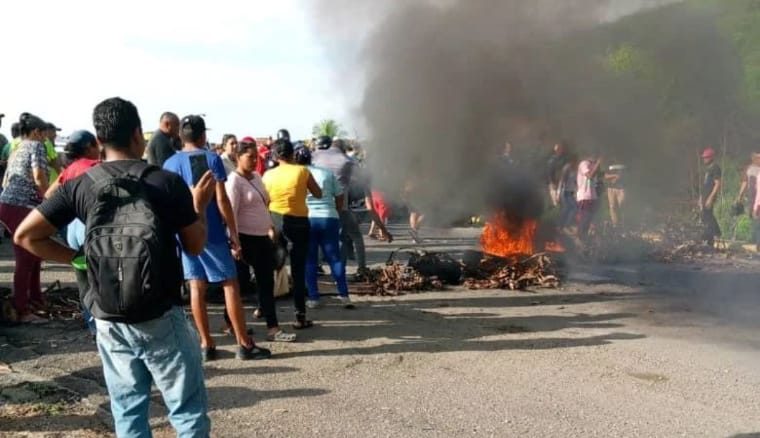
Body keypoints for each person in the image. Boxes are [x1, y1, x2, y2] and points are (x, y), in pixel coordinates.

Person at [14, 97, 214, 436]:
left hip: (107, 315)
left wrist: (79, 260)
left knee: (128, 413)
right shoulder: (164, 182)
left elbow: (25, 235)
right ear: (138, 134)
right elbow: (195, 247)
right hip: (160, 313)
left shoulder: (80, 186)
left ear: (100, 138)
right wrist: (199, 206)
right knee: (187, 413)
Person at [164, 115, 268, 361]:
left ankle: (205, 343)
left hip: (184, 232)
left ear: (181, 136)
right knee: (230, 284)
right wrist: (233, 232)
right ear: (202, 136)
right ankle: (243, 343)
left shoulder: (169, 163)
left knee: (196, 286)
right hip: (210, 232)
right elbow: (221, 199)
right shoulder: (210, 159)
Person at [225, 138, 296, 342]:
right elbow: (231, 213)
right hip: (243, 239)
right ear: (237, 158)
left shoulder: (256, 176)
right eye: (250, 157)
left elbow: (263, 205)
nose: (254, 160)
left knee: (265, 282)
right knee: (239, 284)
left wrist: (270, 227)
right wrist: (234, 241)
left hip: (262, 237)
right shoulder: (233, 182)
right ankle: (230, 322)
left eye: (256, 156)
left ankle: (273, 328)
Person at [44, 130, 101, 334]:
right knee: (101, 280)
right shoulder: (96, 168)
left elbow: (49, 194)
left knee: (84, 281)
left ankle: (92, 325)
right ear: (89, 147)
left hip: (73, 232)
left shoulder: (69, 170)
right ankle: (104, 326)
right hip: (91, 229)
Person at [262, 138, 322, 329]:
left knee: (271, 267)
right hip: (299, 222)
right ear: (292, 154)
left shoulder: (267, 175)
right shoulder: (302, 171)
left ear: (275, 155)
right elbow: (318, 193)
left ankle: (262, 308)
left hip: (275, 220)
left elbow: (264, 200)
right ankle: (300, 316)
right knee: (298, 269)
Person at [313, 137, 392, 273]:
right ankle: (361, 268)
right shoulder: (348, 162)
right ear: (344, 150)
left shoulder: (315, 156)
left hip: (315, 204)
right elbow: (370, 208)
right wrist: (383, 230)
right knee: (354, 235)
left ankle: (316, 266)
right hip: (338, 207)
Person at [0, 113, 49, 323]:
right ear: (37, 132)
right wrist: (49, 199)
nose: (46, 139)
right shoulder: (35, 146)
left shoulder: (17, 148)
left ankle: (35, 299)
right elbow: (39, 176)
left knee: (35, 252)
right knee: (26, 255)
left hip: (8, 203)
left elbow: (5, 181)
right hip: (22, 205)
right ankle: (22, 309)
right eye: (45, 134)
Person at [294, 146, 353, 309]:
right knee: (334, 257)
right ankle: (344, 295)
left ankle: (314, 298)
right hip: (329, 217)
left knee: (310, 259)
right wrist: (336, 211)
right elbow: (340, 195)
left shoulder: (296, 175)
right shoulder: (326, 173)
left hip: (307, 219)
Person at [736, 152, 760, 250]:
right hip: (753, 197)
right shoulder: (750, 169)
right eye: (757, 158)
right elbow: (745, 182)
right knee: (753, 217)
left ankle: (757, 241)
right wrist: (739, 196)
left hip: (757, 198)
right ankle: (755, 240)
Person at [576, 152, 602, 240]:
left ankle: (585, 241)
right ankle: (580, 241)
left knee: (590, 222)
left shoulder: (593, 165)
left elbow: (600, 176)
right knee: (584, 221)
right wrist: (598, 163)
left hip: (593, 198)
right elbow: (590, 176)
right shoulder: (584, 163)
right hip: (584, 198)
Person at [699, 147, 721, 247]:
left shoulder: (715, 167)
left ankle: (716, 233)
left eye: (706, 157)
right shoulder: (708, 169)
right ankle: (709, 240)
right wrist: (700, 198)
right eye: (704, 157)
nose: (704, 159)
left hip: (709, 197)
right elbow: (704, 185)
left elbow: (717, 184)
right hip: (705, 196)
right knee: (705, 216)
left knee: (708, 215)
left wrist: (710, 198)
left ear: (711, 157)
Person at [557, 153, 579, 231]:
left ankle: (565, 225)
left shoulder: (576, 168)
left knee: (574, 208)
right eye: (575, 161)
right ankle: (562, 225)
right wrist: (558, 193)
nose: (576, 162)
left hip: (571, 192)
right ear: (572, 161)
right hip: (565, 192)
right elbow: (562, 181)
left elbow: (576, 181)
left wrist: (577, 190)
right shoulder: (567, 168)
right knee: (567, 208)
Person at [546, 142, 568, 207]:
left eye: (561, 149)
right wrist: (551, 182)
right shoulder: (552, 160)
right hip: (554, 183)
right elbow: (550, 172)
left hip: (561, 182)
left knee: (561, 201)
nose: (561, 151)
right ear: (556, 150)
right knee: (556, 201)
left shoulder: (563, 159)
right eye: (560, 149)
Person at [606, 161, 626, 227]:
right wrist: (615, 176)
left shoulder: (623, 163)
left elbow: (625, 174)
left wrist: (618, 177)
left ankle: (623, 223)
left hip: (621, 188)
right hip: (611, 189)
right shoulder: (608, 163)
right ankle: (615, 223)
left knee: (622, 205)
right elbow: (605, 176)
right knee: (612, 206)